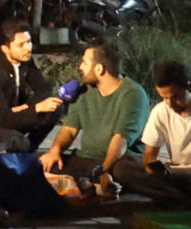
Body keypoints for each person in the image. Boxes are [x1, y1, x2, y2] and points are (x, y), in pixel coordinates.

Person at [39, 42, 149, 202]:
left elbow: (120, 141)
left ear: (99, 69)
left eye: (85, 62)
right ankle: (96, 183)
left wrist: (102, 171)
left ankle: (94, 182)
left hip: (119, 160)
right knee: (44, 162)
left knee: (123, 171)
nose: (81, 67)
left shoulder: (132, 94)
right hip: (88, 160)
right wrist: (54, 151)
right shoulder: (84, 91)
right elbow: (69, 130)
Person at [121, 62, 191, 206]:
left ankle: (180, 199)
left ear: (190, 87)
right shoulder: (160, 111)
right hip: (175, 175)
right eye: (164, 98)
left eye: (175, 97)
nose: (170, 103)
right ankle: (189, 200)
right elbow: (149, 155)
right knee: (124, 167)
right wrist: (153, 169)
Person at [0, 22, 63, 152]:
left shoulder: (25, 60)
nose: (28, 48)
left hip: (15, 115)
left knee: (55, 109)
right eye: (20, 45)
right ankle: (20, 155)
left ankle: (29, 151)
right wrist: (35, 109)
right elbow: (2, 120)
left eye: (29, 42)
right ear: (5, 48)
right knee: (16, 140)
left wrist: (28, 108)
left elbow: (43, 88)